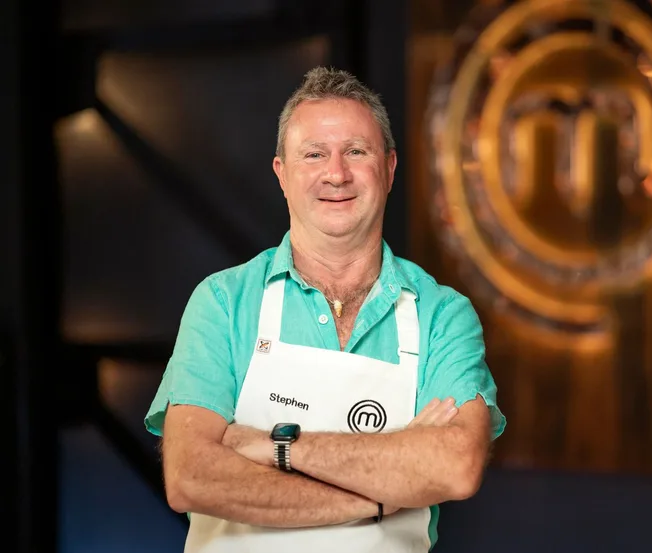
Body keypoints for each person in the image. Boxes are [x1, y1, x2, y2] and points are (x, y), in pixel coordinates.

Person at [143, 66, 506, 552]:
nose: (336, 174)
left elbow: (455, 467)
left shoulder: (442, 315)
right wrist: (382, 496)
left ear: (390, 168)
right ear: (282, 174)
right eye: (314, 154)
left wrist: (273, 446)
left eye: (356, 151)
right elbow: (191, 477)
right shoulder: (224, 302)